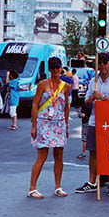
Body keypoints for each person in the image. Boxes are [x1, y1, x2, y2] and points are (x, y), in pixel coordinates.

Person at [75, 52, 109, 197]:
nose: (102, 65)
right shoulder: (93, 81)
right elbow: (86, 101)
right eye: (100, 63)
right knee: (93, 152)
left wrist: (102, 97)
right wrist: (89, 100)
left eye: (105, 62)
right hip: (95, 121)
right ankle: (92, 182)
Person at [28, 57, 70, 199]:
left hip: (59, 123)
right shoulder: (42, 84)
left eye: (57, 67)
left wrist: (66, 125)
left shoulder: (65, 86)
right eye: (52, 68)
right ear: (49, 69)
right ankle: (32, 188)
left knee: (59, 155)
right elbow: (35, 105)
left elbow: (66, 107)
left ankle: (58, 186)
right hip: (44, 122)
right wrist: (34, 125)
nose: (55, 70)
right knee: (42, 155)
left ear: (61, 68)